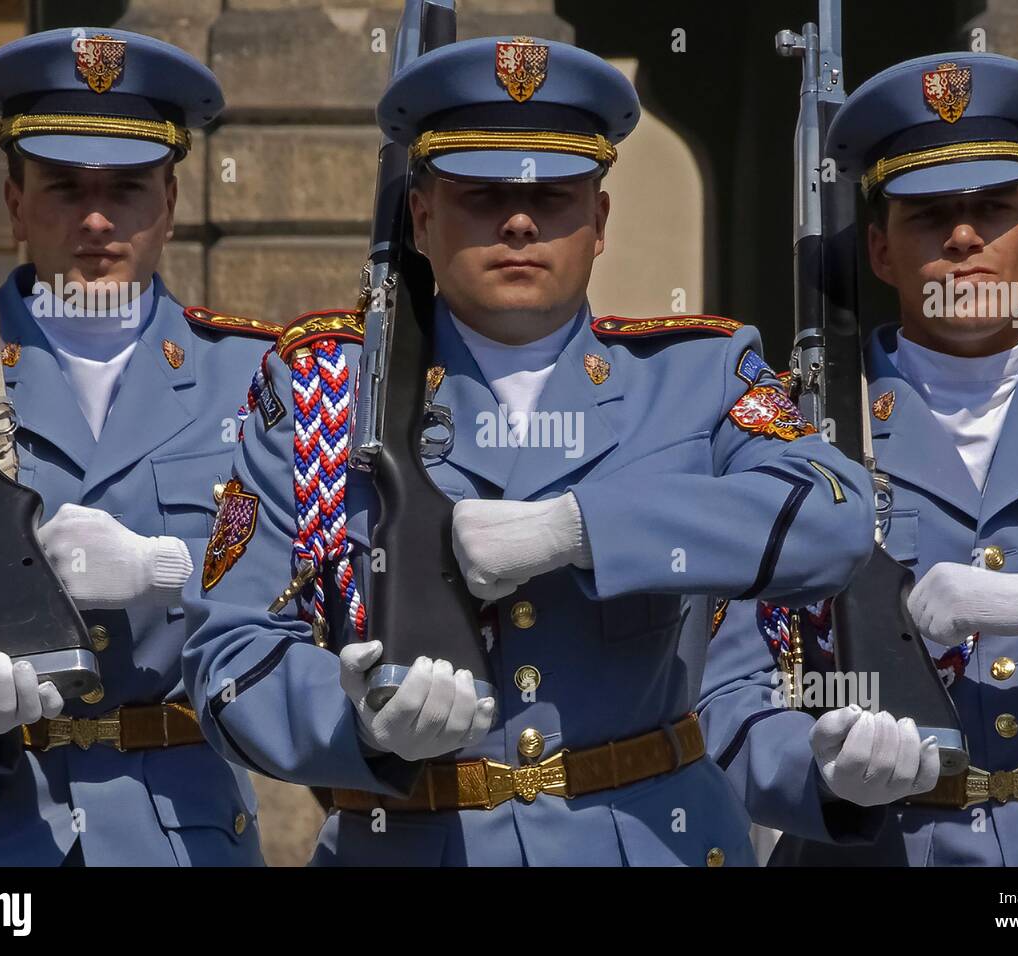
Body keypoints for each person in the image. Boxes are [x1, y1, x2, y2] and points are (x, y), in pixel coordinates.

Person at [182, 34, 875, 867]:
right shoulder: (318, 392)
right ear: (422, 215)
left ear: (600, 220)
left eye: (553, 195)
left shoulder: (699, 375)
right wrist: (352, 722)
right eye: (481, 195)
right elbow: (229, 652)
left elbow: (837, 516)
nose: (519, 220)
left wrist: (582, 529)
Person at [756, 52, 1018, 866]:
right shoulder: (789, 427)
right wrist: (819, 773)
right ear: (880, 250)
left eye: (993, 208)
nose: (962, 236)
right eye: (929, 214)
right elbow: (728, 682)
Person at [0, 28, 277, 866]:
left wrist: (166, 567)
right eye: (63, 188)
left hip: (181, 837)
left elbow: (305, 610)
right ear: (15, 203)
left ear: (169, 200)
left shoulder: (261, 380)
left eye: (127, 188)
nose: (96, 218)